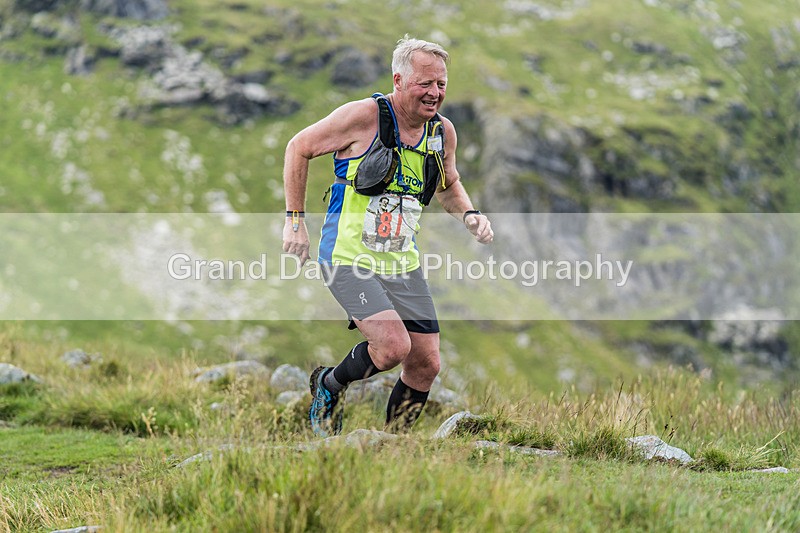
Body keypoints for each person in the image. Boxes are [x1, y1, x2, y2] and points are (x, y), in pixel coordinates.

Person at [282, 35, 493, 437]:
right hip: (347, 257)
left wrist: (470, 214)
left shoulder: (441, 133)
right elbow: (299, 147)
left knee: (426, 363)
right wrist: (295, 220)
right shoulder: (363, 117)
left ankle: (394, 447)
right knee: (394, 348)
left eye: (442, 84)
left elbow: (449, 183)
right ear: (398, 80)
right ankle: (329, 385)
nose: (435, 94)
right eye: (425, 84)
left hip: (402, 262)